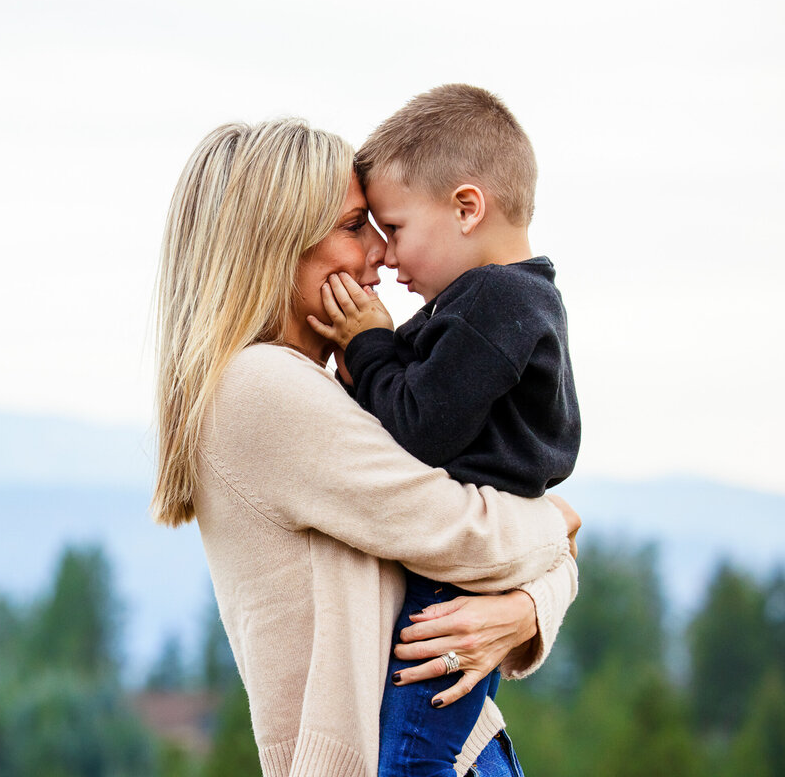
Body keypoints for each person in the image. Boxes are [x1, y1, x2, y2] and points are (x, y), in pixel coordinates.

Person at [151, 118, 579, 777]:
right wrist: (557, 530)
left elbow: (467, 547)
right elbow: (464, 532)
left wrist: (526, 608)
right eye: (355, 227)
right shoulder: (261, 389)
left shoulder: (321, 390)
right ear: (276, 243)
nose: (380, 254)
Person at [305, 85, 581, 777]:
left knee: (412, 756)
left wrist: (368, 345)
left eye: (393, 229)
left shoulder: (493, 303)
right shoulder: (509, 301)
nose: (386, 259)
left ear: (467, 208)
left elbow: (418, 429)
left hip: (453, 583)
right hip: (478, 561)